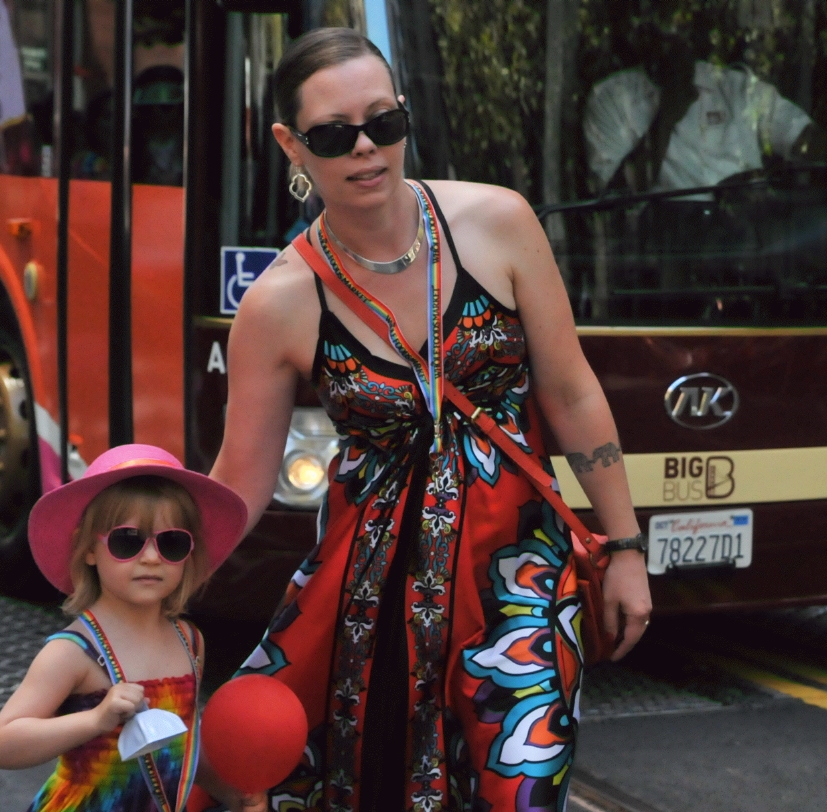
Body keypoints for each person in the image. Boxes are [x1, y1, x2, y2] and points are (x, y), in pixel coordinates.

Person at [202, 27, 652, 812]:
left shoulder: (499, 223)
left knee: (522, 789)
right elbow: (237, 482)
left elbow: (571, 392)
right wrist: (147, 592)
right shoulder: (279, 302)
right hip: (366, 606)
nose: (367, 150)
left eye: (385, 124)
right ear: (291, 145)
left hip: (521, 587)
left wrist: (625, 547)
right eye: (336, 136)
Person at [0, 444, 247, 812]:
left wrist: (232, 792)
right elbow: (3, 745)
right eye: (128, 541)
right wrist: (96, 719)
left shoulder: (189, 641)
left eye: (172, 542)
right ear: (87, 549)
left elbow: (178, 747)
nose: (152, 557)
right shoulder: (72, 652)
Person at [584, 24, 817, 193]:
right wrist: (665, 120)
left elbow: (801, 136)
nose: (673, 34)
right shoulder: (612, 98)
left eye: (680, 28)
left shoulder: (736, 88)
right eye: (665, 26)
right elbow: (610, 201)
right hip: (666, 246)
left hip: (743, 242)